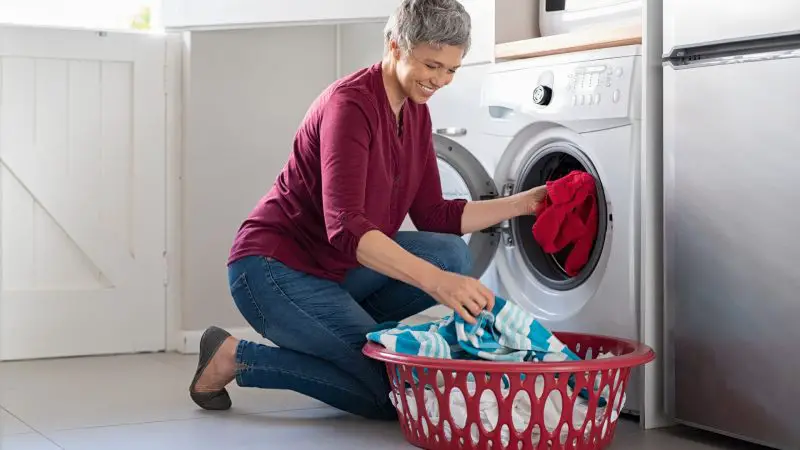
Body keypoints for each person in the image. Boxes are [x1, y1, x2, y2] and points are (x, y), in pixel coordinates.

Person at [188, 0, 547, 421]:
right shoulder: (350, 105)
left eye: (451, 69)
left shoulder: (416, 112)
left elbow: (434, 214)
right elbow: (346, 228)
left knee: (452, 255)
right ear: (395, 45)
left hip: (337, 271)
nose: (441, 80)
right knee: (393, 394)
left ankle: (336, 338)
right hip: (274, 270)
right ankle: (235, 357)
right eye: (432, 65)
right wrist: (437, 284)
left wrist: (526, 203)